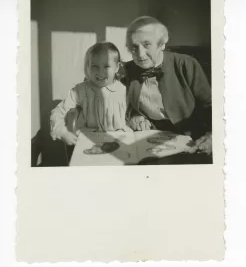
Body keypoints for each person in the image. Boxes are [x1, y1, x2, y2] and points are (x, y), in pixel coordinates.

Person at [121, 16, 212, 161]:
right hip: (149, 137)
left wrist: (212, 135)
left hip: (190, 139)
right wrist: (133, 116)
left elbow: (211, 106)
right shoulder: (126, 70)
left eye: (147, 45)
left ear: (162, 44)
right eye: (134, 47)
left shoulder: (186, 64)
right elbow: (117, 102)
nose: (140, 54)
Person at [50, 42, 131, 146]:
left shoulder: (124, 90)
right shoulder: (81, 90)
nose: (100, 72)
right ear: (88, 66)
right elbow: (58, 112)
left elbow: (134, 114)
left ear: (116, 67)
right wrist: (63, 132)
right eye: (94, 66)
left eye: (106, 66)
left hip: (119, 140)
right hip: (90, 141)